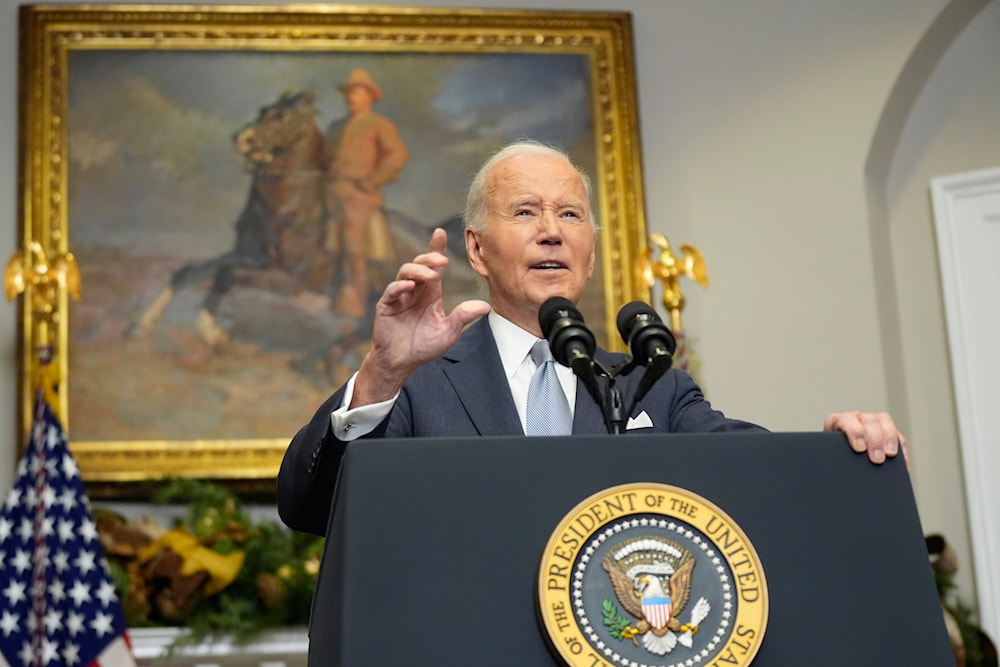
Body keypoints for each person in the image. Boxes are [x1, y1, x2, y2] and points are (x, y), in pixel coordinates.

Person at [277, 139, 909, 537]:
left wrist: (839, 452)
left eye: (570, 215)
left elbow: (751, 473)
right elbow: (308, 508)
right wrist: (383, 372)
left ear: (590, 252)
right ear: (477, 247)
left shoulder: (651, 384)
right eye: (525, 212)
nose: (551, 231)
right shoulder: (416, 383)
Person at [324, 69, 410, 317]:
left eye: (358, 93)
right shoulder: (336, 127)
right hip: (332, 191)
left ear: (370, 96)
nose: (353, 98)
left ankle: (354, 304)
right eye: (350, 93)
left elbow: (398, 155)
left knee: (353, 240)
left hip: (360, 195)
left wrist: (373, 180)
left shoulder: (379, 125)